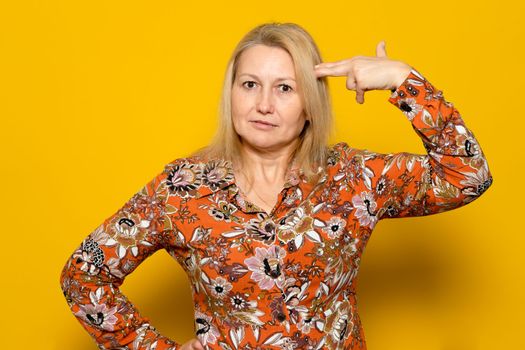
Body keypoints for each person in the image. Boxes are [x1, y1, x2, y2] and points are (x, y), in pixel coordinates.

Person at [60, 22, 493, 350]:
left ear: (310, 104)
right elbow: (83, 274)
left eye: (285, 88)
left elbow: (467, 175)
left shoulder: (352, 176)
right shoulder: (181, 188)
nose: (263, 104)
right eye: (250, 85)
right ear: (231, 94)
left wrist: (402, 79)